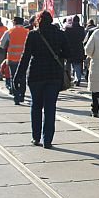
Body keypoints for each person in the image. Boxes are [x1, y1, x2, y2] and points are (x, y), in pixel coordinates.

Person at [13, 11, 70, 149]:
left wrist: (17, 76)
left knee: (36, 106)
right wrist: (58, 55)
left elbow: (25, 57)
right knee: (50, 107)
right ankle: (47, 140)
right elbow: (69, 54)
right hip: (54, 75)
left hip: (36, 75)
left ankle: (36, 137)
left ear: (38, 21)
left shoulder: (33, 35)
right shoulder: (60, 34)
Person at [0, 17, 29, 105]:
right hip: (24, 59)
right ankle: (22, 96)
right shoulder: (27, 32)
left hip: (12, 59)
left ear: (15, 22)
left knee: (13, 77)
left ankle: (16, 97)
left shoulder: (9, 31)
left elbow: (1, 44)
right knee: (23, 77)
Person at [64, 15, 86, 86]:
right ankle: (78, 79)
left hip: (69, 48)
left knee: (68, 64)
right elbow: (83, 38)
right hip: (78, 48)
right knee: (77, 64)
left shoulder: (67, 29)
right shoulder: (81, 29)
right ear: (79, 20)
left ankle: (68, 78)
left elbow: (65, 38)